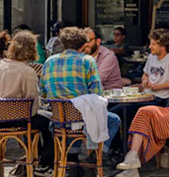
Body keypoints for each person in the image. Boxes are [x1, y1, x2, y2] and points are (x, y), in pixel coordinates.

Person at [38, 26, 121, 166]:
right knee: (114, 120)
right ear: (83, 45)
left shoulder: (49, 61)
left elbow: (43, 92)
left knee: (72, 118)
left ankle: (72, 158)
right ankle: (97, 155)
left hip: (58, 118)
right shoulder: (87, 61)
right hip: (81, 116)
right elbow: (96, 92)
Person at [139, 27, 169, 103]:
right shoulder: (151, 57)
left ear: (163, 47)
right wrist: (145, 80)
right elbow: (145, 74)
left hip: (162, 99)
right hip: (147, 95)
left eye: (153, 44)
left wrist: (160, 86)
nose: (150, 47)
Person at [84, 25, 127, 89]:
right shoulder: (81, 55)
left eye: (88, 41)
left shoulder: (108, 57)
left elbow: (96, 81)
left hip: (109, 93)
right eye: (83, 41)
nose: (85, 44)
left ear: (98, 41)